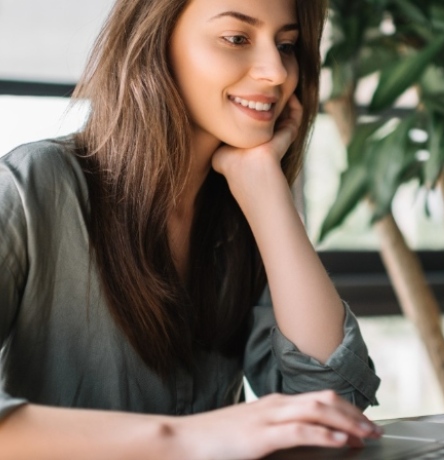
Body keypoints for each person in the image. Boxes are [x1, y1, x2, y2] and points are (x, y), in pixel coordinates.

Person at [0, 0, 382, 458]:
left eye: (287, 45)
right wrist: (185, 438)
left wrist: (264, 188)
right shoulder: (32, 185)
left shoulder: (241, 212)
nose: (277, 72)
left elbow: (336, 404)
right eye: (237, 38)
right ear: (155, 43)